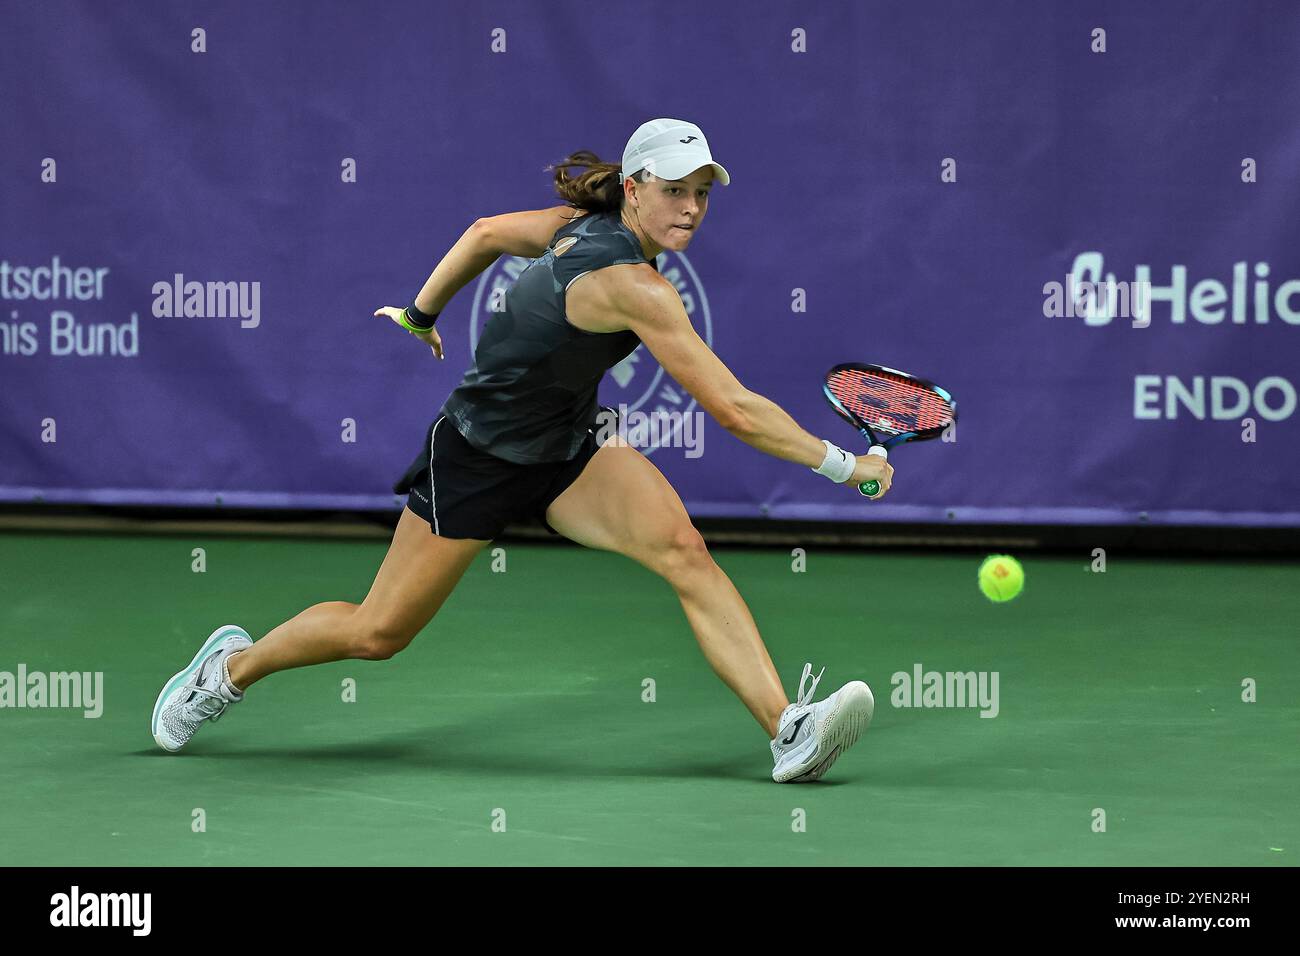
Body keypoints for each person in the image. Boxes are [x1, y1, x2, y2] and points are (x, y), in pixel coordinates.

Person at [151, 118, 893, 783]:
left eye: (702, 192)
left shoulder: (581, 225)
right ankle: (228, 669)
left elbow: (481, 233)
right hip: (476, 456)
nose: (691, 208)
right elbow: (732, 409)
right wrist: (846, 466)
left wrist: (421, 313)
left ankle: (787, 728)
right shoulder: (633, 284)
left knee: (684, 552)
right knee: (377, 633)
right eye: (674, 190)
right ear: (633, 189)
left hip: (568, 448)